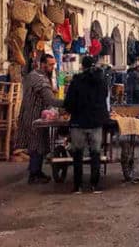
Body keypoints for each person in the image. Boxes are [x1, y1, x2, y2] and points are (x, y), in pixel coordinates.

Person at [63, 55, 110, 194]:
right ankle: (95, 185)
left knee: (78, 154)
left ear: (82, 66)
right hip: (96, 122)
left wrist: (70, 110)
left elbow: (69, 102)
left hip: (78, 122)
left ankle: (78, 186)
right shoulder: (101, 81)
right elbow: (105, 98)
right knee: (95, 153)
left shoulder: (76, 81)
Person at [16, 53, 63, 184]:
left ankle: (37, 172)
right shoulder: (39, 79)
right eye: (51, 64)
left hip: (33, 115)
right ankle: (34, 174)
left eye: (54, 64)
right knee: (36, 146)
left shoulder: (33, 75)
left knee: (38, 144)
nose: (53, 67)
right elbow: (50, 99)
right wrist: (68, 103)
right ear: (43, 64)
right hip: (34, 117)